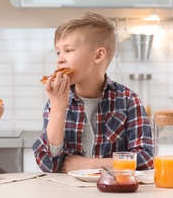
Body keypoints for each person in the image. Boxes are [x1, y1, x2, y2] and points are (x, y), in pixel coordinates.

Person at [32, 12, 154, 173]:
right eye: (58, 52)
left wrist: (87, 164)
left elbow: (145, 159)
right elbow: (48, 164)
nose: (60, 59)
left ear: (98, 55)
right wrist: (58, 109)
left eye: (68, 50)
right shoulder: (57, 100)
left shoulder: (128, 100)